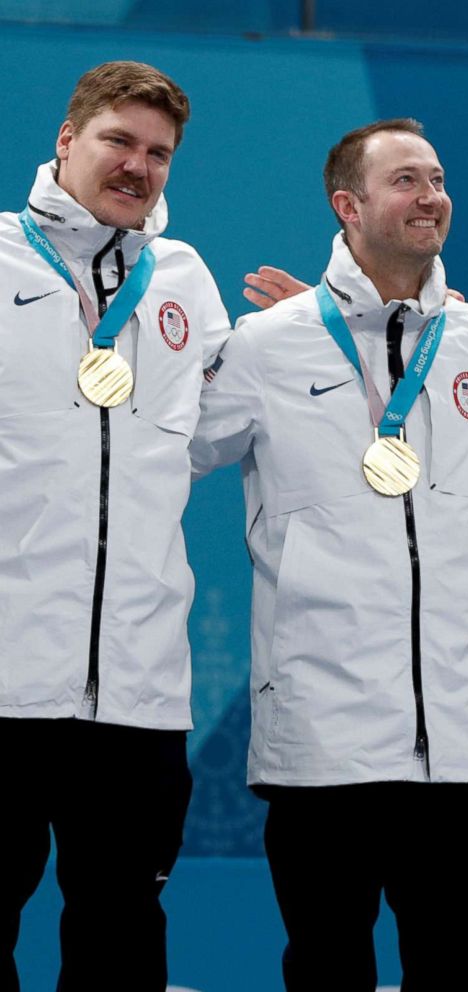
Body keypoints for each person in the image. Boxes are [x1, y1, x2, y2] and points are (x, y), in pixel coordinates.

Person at [190, 118, 468, 991]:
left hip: (460, 747)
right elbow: (163, 448)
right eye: (406, 181)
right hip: (322, 746)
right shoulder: (269, 347)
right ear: (348, 207)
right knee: (326, 973)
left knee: (459, 974)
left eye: (437, 178)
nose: (431, 196)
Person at [0, 61, 230, 991]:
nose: (137, 166)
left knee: (123, 934)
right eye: (118, 142)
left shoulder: (184, 281)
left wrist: (415, 334)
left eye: (158, 153)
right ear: (66, 139)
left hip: (136, 694)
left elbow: (251, 407)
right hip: (6, 684)